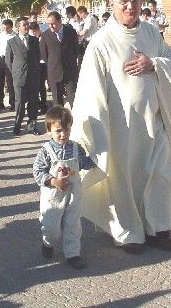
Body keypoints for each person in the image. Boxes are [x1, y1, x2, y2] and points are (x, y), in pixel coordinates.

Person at [70, 0, 171, 254]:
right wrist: (97, 133)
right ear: (112, 4)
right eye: (124, 2)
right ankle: (129, 233)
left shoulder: (151, 32)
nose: (130, 6)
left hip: (154, 121)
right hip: (121, 128)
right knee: (124, 180)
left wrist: (153, 63)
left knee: (160, 174)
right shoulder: (100, 42)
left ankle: (159, 229)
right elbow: (90, 89)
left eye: (134, 0)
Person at [32, 105, 96, 268]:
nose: (63, 134)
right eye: (58, 130)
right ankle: (48, 243)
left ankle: (73, 254)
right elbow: (37, 171)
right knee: (52, 227)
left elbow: (84, 163)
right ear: (49, 130)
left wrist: (99, 159)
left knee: (73, 225)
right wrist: (54, 181)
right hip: (53, 197)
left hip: (73, 195)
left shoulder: (75, 148)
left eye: (66, 130)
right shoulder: (46, 151)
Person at [5, 17, 41, 136]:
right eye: (24, 25)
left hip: (33, 76)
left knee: (33, 102)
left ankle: (32, 126)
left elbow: (37, 56)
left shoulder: (34, 40)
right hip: (19, 76)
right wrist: (16, 72)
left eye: (27, 24)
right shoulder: (11, 42)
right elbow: (8, 61)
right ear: (18, 27)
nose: (26, 27)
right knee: (20, 102)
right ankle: (17, 125)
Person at [39, 11, 79, 108]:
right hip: (54, 71)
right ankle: (60, 122)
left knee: (73, 98)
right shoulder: (45, 35)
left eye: (53, 24)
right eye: (49, 24)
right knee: (57, 101)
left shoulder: (70, 32)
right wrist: (54, 63)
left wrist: (70, 61)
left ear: (60, 21)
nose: (51, 26)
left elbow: (76, 50)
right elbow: (44, 55)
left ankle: (76, 121)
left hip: (70, 70)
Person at [0, 19, 16, 111]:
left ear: (11, 27)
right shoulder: (0, 36)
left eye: (7, 28)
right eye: (3, 28)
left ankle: (13, 102)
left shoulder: (14, 36)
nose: (5, 30)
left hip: (9, 59)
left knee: (10, 82)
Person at [29, 21, 47, 115]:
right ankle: (39, 104)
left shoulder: (45, 37)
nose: (34, 34)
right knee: (36, 86)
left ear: (38, 29)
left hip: (44, 63)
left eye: (35, 32)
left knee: (42, 86)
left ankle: (44, 105)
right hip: (35, 64)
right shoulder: (32, 39)